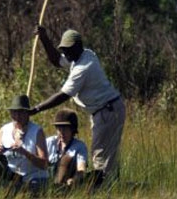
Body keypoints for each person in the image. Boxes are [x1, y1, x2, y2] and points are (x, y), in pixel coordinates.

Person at [30, 26, 126, 186]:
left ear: (78, 47)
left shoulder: (84, 66)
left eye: (68, 50)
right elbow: (56, 60)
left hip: (108, 111)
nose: (66, 54)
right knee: (105, 155)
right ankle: (110, 185)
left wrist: (36, 109)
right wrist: (44, 38)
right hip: (103, 111)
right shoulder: (79, 55)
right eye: (64, 50)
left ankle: (105, 189)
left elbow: (64, 94)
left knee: (101, 156)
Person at [0, 94, 49, 188]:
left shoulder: (36, 131)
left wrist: (25, 153)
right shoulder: (3, 130)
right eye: (14, 112)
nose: (17, 116)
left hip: (34, 178)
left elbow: (44, 164)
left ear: (28, 113)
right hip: (12, 178)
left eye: (21, 112)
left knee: (31, 186)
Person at [47, 108, 88, 186]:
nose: (61, 132)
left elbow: (81, 169)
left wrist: (74, 179)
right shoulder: (49, 142)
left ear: (73, 129)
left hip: (67, 184)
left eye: (65, 128)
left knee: (67, 159)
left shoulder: (79, 146)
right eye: (59, 128)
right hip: (47, 182)